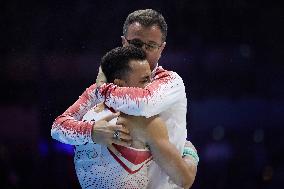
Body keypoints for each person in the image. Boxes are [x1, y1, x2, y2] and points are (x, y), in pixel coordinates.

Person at [52, 46, 195, 188]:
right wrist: (190, 151)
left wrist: (90, 132)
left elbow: (58, 129)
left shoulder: (92, 104)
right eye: (145, 80)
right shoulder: (146, 123)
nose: (151, 86)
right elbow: (184, 179)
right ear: (119, 84)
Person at [95, 9, 198, 188]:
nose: (141, 51)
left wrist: (102, 89)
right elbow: (60, 129)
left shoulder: (171, 81)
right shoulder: (106, 83)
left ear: (161, 49)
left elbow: (143, 104)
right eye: (135, 43)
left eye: (150, 46)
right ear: (123, 43)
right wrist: (90, 131)